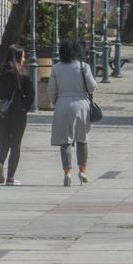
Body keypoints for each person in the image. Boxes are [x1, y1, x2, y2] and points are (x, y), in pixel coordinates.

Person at [49, 40, 98, 186]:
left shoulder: (56, 68)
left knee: (65, 140)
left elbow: (51, 89)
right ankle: (83, 170)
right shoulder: (84, 66)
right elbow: (92, 86)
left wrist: (55, 101)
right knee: (82, 139)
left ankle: (68, 171)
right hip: (81, 103)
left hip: (62, 103)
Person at [0, 45, 35, 186]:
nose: (24, 59)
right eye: (23, 56)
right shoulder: (23, 74)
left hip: (2, 112)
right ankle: (10, 178)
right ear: (19, 57)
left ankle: (0, 162)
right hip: (19, 112)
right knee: (16, 144)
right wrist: (25, 106)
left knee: (3, 143)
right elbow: (31, 95)